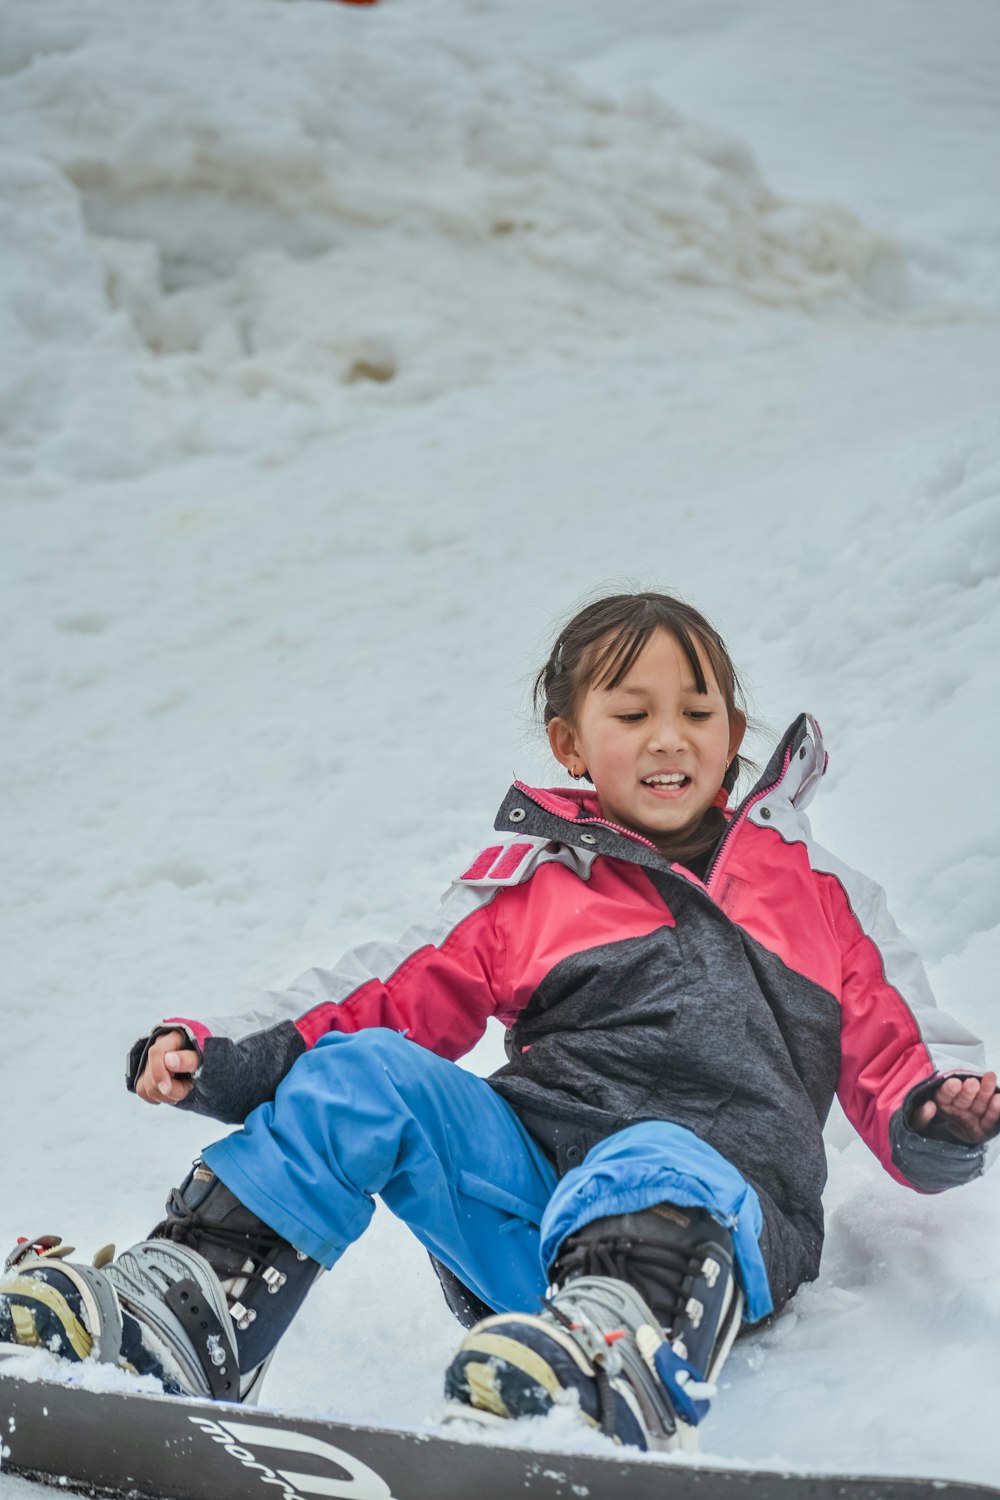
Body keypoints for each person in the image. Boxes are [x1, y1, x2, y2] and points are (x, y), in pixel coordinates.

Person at [2, 591, 997, 1451]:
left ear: (734, 733)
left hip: (718, 1231)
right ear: (571, 745)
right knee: (363, 1074)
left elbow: (891, 1031)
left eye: (697, 711)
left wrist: (937, 1112)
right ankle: (188, 1315)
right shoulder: (532, 890)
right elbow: (384, 993)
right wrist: (224, 1058)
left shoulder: (812, 891)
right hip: (530, 1213)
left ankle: (613, 1361)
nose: (668, 737)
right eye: (632, 712)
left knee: (654, 1149)